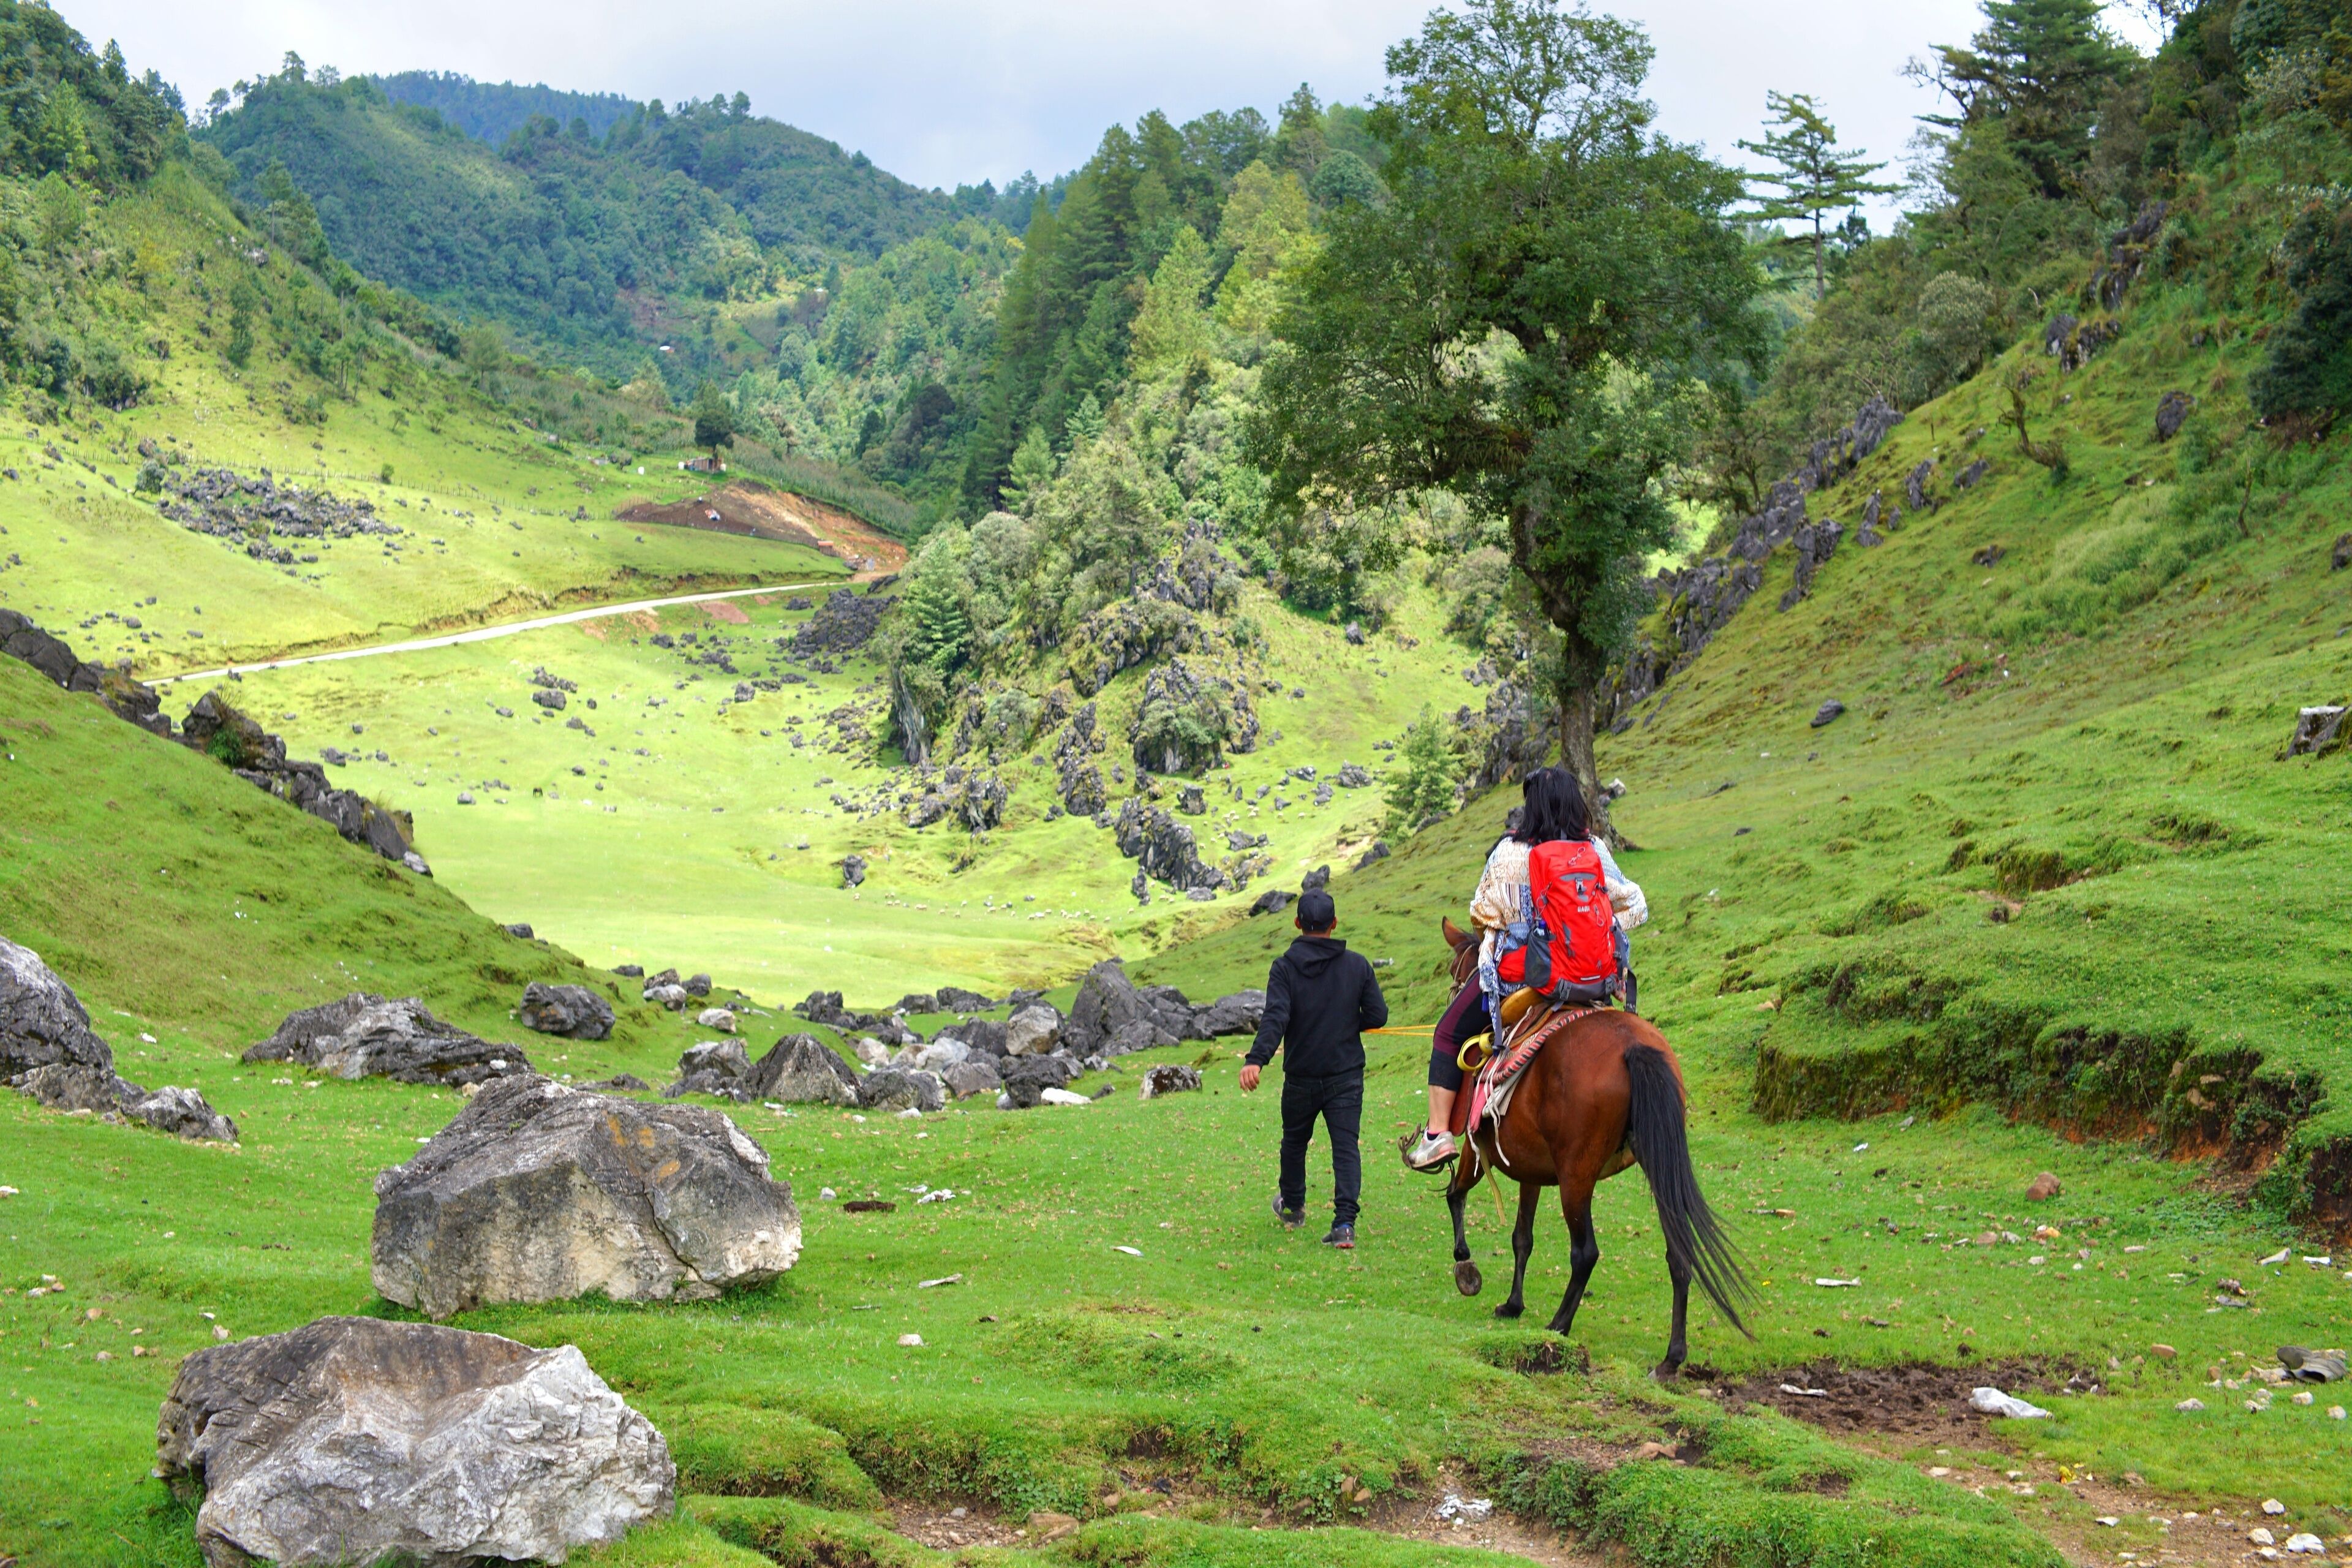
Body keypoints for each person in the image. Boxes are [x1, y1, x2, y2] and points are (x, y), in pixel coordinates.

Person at [1402, 768, 1646, 1170]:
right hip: (1590, 980)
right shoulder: (1594, 850)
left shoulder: (1510, 852)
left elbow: (1482, 914)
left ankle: (1437, 1135)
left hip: (1519, 981)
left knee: (1447, 1033)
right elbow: (1636, 906)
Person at [1240, 889, 1387, 1248]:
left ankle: (1293, 1206)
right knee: (1345, 1146)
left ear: (1297, 924)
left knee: (1294, 1141)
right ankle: (1345, 1226)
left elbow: (1276, 1018)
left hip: (1302, 1076)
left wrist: (1256, 1060)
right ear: (1334, 924)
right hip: (1346, 1074)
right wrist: (1349, 1021)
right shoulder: (1357, 965)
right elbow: (1379, 1016)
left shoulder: (1285, 968)